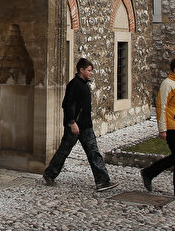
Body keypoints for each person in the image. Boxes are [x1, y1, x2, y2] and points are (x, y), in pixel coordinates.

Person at [42, 57, 118, 192]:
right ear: (81, 70)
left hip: (86, 126)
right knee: (64, 151)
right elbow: (67, 104)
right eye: (89, 70)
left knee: (93, 152)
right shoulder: (74, 85)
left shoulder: (84, 84)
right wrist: (72, 122)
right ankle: (49, 174)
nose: (91, 73)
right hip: (75, 126)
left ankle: (102, 180)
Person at [140, 56, 175, 198]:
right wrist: (162, 128)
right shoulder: (168, 84)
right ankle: (149, 172)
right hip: (171, 126)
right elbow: (162, 107)